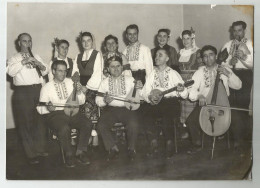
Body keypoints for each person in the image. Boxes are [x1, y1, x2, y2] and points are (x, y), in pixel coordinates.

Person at [186, 45, 242, 153]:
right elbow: (191, 89)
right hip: (205, 105)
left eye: (211, 55)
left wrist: (228, 74)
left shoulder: (225, 69)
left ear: (216, 56)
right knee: (191, 120)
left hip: (224, 104)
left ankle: (237, 144)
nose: (208, 58)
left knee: (237, 119)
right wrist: (199, 95)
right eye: (205, 56)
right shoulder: (199, 72)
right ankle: (197, 144)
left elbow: (238, 85)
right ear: (202, 59)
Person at [37, 60, 92, 168]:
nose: (63, 74)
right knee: (64, 127)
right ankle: (69, 155)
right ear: (53, 71)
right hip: (55, 115)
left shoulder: (71, 82)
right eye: (60, 71)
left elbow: (81, 102)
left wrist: (80, 93)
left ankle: (80, 151)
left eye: (65, 71)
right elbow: (40, 108)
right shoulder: (46, 87)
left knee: (87, 123)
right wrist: (48, 108)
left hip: (72, 111)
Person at [7, 33, 49, 164]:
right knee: (25, 124)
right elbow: (10, 71)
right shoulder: (14, 58)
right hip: (23, 92)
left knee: (39, 120)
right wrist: (24, 61)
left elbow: (46, 70)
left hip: (37, 90)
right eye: (24, 41)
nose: (28, 44)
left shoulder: (36, 56)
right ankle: (30, 154)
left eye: (29, 41)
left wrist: (40, 65)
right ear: (19, 43)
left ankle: (39, 149)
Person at [141, 48, 188, 158]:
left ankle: (169, 143)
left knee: (167, 114)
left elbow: (185, 94)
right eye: (156, 55)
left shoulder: (173, 73)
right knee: (145, 113)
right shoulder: (151, 73)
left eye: (160, 55)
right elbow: (145, 91)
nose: (156, 57)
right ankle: (153, 142)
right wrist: (149, 97)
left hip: (171, 102)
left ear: (167, 58)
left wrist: (181, 90)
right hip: (156, 102)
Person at [96, 56, 143, 161]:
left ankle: (131, 148)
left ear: (122, 67)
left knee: (133, 123)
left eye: (118, 66)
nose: (116, 69)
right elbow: (98, 100)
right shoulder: (104, 83)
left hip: (127, 109)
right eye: (112, 67)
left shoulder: (130, 80)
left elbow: (141, 96)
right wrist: (105, 101)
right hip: (111, 110)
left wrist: (139, 89)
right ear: (108, 69)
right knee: (101, 125)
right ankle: (113, 148)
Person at [221, 21, 253, 150]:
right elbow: (222, 63)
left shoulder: (251, 44)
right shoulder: (228, 45)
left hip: (246, 75)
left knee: (243, 105)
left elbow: (254, 64)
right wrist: (230, 62)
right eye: (234, 31)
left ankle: (245, 137)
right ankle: (235, 137)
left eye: (239, 30)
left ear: (244, 30)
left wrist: (243, 58)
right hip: (230, 74)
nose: (236, 33)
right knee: (231, 104)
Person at [178, 29, 203, 138]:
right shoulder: (180, 52)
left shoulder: (198, 52)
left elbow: (201, 69)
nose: (185, 40)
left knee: (191, 105)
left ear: (192, 39)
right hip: (181, 82)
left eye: (188, 38)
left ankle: (195, 131)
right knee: (182, 105)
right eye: (184, 38)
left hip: (193, 81)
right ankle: (187, 130)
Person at [74, 32, 104, 120]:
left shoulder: (97, 54)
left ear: (92, 41)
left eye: (88, 40)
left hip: (93, 88)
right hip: (80, 86)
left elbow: (98, 73)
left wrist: (87, 88)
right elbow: (75, 73)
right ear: (81, 43)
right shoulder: (78, 56)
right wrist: (79, 85)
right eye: (83, 41)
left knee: (91, 114)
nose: (86, 43)